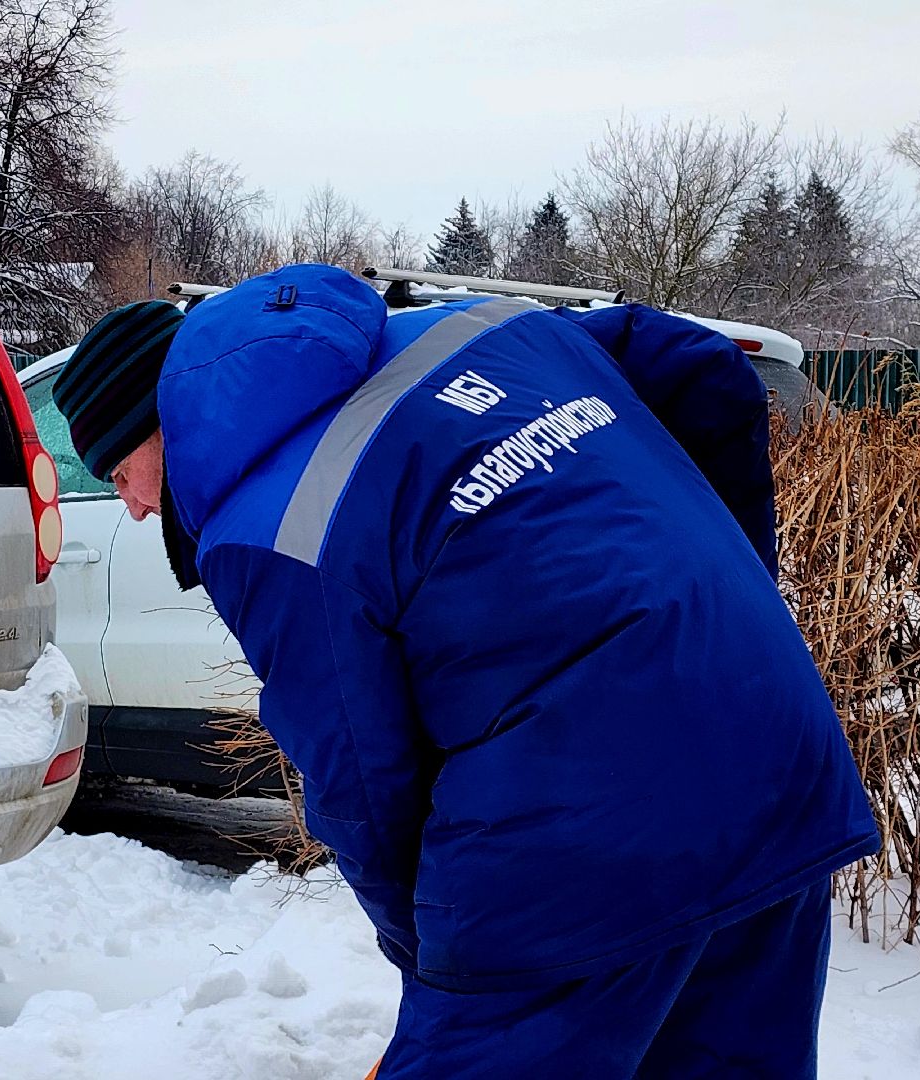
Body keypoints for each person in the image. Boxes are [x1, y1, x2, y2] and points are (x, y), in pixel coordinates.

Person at [54, 264, 878, 1078]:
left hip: (578, 842)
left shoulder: (261, 525)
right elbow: (706, 370)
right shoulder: (484, 327)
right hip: (778, 757)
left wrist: (438, 971)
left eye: (120, 473)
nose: (129, 504)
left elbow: (360, 782)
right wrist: (730, 608)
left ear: (157, 422)